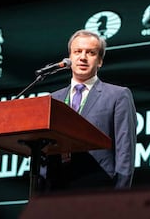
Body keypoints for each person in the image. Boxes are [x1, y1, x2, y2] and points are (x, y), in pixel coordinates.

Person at [41, 29, 137, 192]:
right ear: (70, 58)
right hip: (56, 189)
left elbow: (125, 150)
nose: (83, 57)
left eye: (90, 53)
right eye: (77, 52)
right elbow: (43, 151)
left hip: (99, 187)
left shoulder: (118, 95)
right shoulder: (52, 99)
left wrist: (120, 197)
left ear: (99, 61)